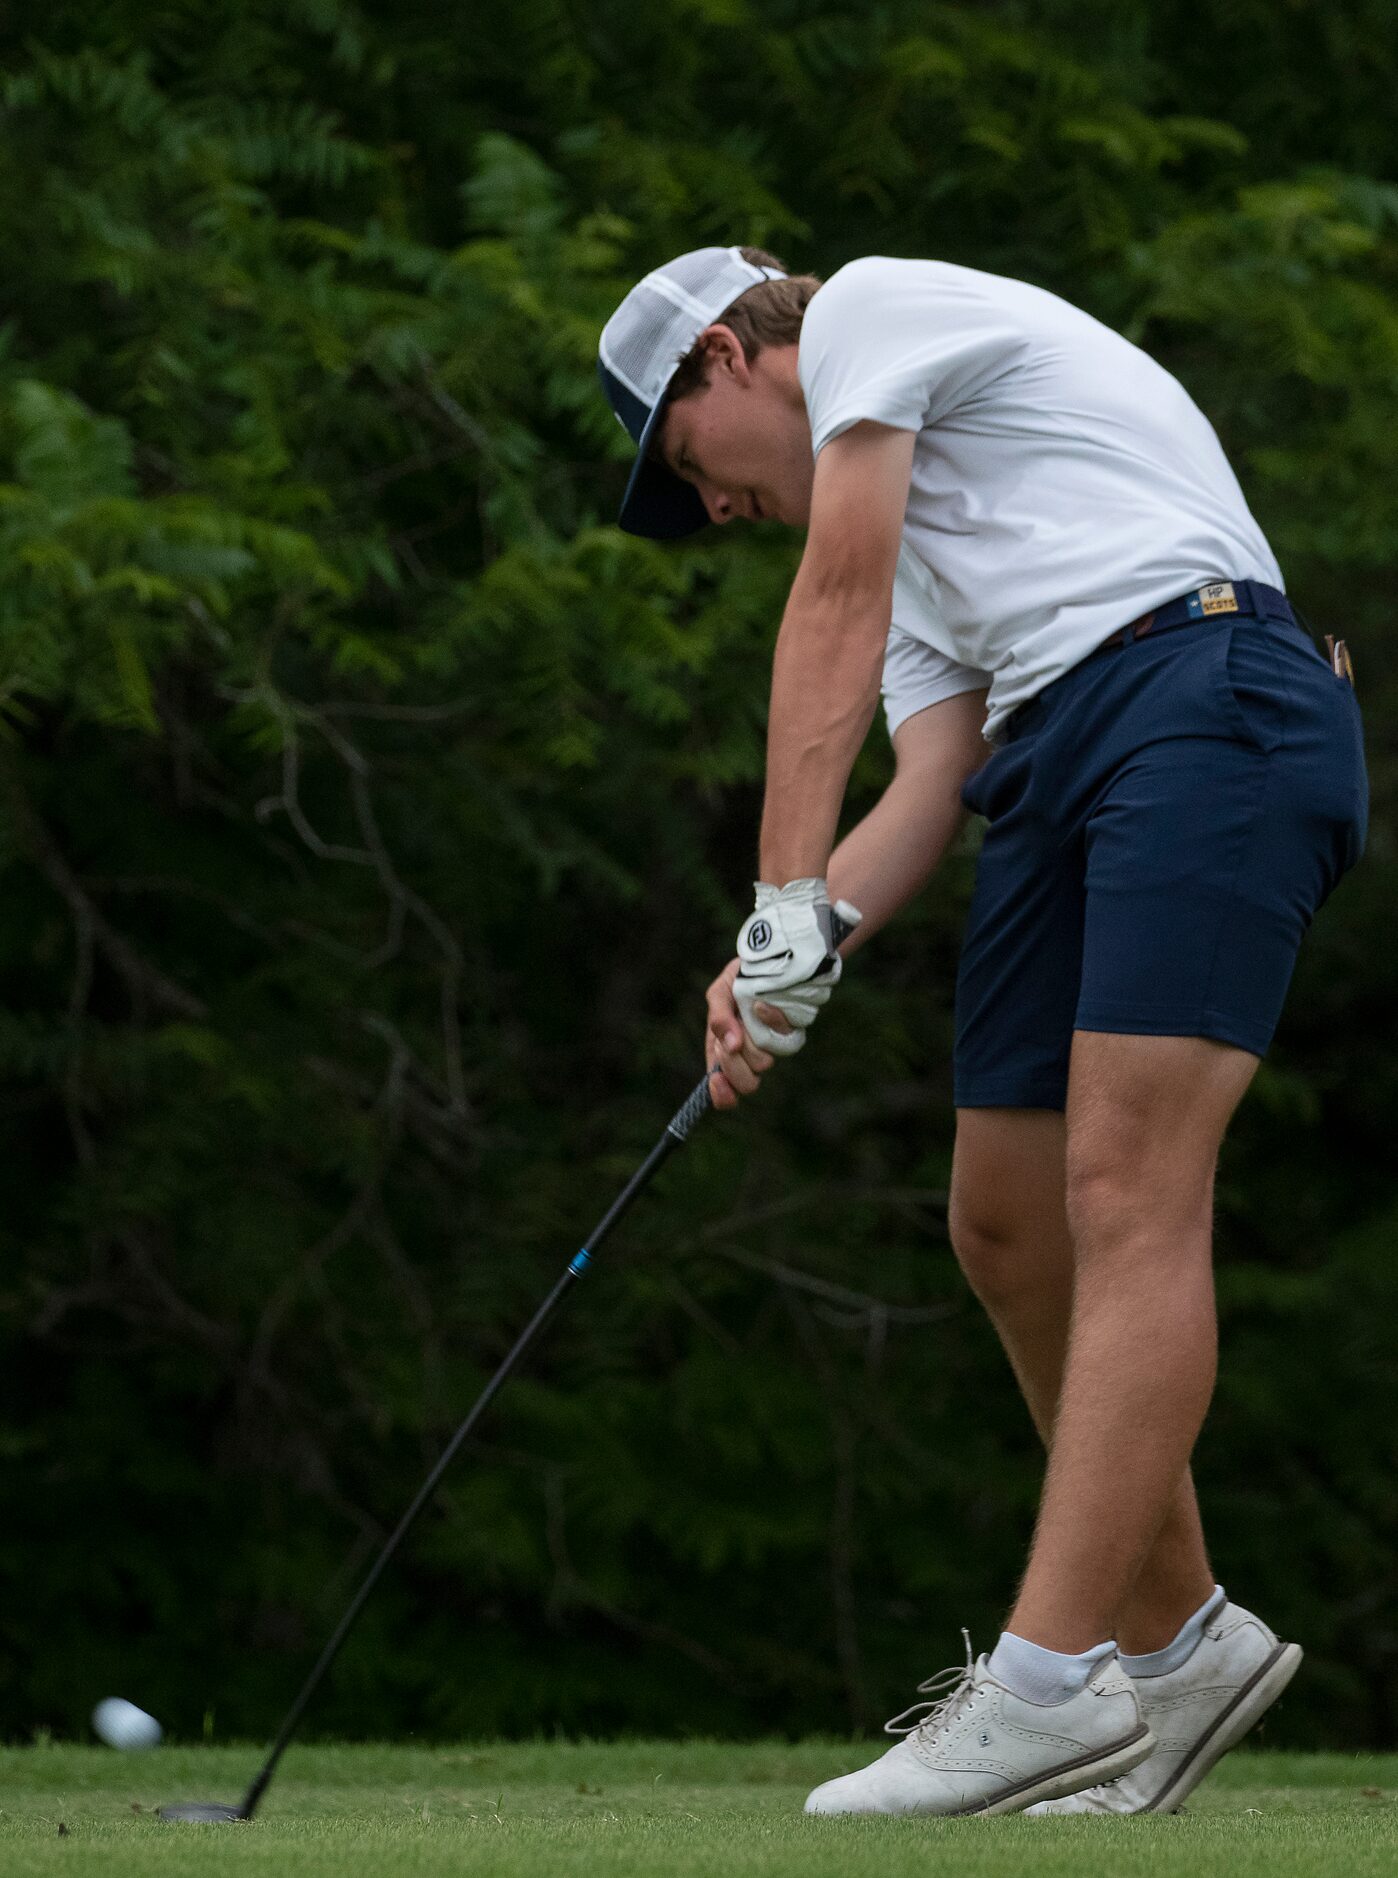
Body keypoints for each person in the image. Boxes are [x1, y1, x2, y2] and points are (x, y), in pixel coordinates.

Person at [595, 246, 1367, 1817]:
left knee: (1122, 1192)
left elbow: (831, 594)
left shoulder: (870, 309)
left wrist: (777, 889)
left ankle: (1038, 1681)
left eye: (692, 465)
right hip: (1066, 744)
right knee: (1006, 1219)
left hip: (1207, 694)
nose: (721, 511)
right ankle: (1181, 1646)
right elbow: (930, 784)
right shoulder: (944, 567)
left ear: (734, 358)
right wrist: (783, 959)